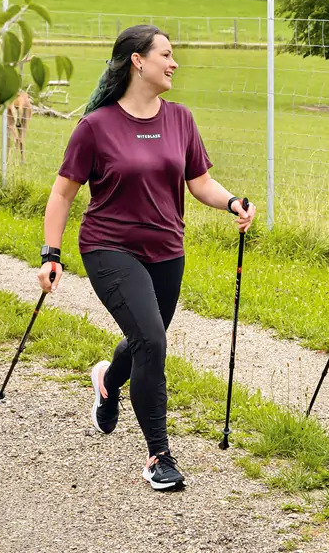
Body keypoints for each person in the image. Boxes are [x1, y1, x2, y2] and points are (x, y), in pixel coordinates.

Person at [36, 25, 255, 491]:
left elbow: (199, 183)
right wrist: (51, 254)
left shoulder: (180, 119)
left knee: (145, 340)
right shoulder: (96, 127)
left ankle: (107, 381)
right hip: (108, 248)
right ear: (138, 61)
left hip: (167, 251)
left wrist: (233, 202)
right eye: (166, 55)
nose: (174, 63)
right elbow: (62, 193)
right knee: (152, 341)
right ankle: (159, 456)